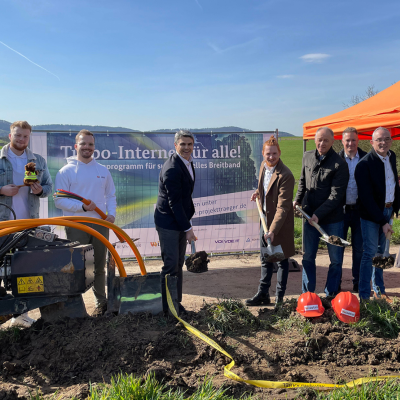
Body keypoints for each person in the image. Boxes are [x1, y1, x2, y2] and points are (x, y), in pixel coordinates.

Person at [54, 130, 116, 315]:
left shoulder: (102, 171)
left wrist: (111, 214)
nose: (87, 147)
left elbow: (110, 195)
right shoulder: (65, 171)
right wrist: (82, 208)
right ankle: (76, 307)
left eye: (90, 144)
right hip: (76, 224)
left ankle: (101, 303)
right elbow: (59, 201)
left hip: (100, 224)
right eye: (83, 144)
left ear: (94, 147)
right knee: (77, 267)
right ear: (76, 146)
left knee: (99, 266)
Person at [1, 121, 53, 327]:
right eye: (18, 135)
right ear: (9, 136)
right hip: (3, 223)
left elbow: (49, 187)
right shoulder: (1, 158)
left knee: (25, 270)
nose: (21, 140)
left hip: (28, 224)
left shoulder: (37, 161)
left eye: (25, 136)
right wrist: (1, 190)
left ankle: (21, 315)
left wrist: (39, 190)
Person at [293, 127, 349, 297]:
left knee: (336, 260)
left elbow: (336, 195)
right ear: (314, 140)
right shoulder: (307, 156)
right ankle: (308, 294)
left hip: (333, 220)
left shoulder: (340, 164)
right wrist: (298, 199)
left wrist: (318, 214)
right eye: (319, 139)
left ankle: (331, 294)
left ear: (333, 142)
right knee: (308, 256)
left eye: (325, 140)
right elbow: (302, 182)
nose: (321, 143)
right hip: (310, 218)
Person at [246, 137, 295, 309]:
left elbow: (283, 207)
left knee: (281, 262)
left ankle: (279, 299)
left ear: (279, 153)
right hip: (264, 221)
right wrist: (257, 193)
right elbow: (264, 188)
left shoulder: (286, 175)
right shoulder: (263, 167)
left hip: (278, 226)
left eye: (274, 154)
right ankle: (263, 294)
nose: (271, 157)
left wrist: (273, 230)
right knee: (265, 259)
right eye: (268, 154)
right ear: (263, 154)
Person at [355, 127, 399, 303]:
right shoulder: (364, 165)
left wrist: (394, 209)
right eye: (379, 140)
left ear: (391, 141)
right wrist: (382, 221)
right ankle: (364, 296)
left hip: (387, 211)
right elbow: (366, 198)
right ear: (372, 142)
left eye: (387, 139)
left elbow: (393, 184)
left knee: (382, 252)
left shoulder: (392, 156)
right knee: (370, 253)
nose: (383, 143)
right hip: (371, 215)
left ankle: (379, 291)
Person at [154, 129, 196, 314]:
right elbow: (174, 203)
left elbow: (185, 196)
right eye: (183, 144)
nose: (186, 147)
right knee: (171, 265)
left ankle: (176, 304)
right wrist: (188, 228)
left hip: (179, 219)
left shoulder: (187, 163)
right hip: (168, 222)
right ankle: (167, 308)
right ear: (175, 145)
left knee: (178, 263)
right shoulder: (172, 168)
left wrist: (187, 221)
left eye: (190, 144)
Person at [338, 127, 367, 293]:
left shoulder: (366, 158)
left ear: (358, 141)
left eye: (353, 140)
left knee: (359, 249)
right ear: (342, 142)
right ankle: (337, 283)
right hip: (340, 212)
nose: (350, 143)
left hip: (359, 211)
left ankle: (357, 282)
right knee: (338, 249)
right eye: (347, 140)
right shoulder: (336, 159)